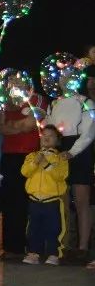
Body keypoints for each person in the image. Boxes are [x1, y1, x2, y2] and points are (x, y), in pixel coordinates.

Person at [46, 85, 93, 266]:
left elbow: (89, 132)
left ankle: (83, 248)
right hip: (60, 148)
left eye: (68, 75)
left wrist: (72, 152)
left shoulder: (86, 102)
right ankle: (63, 246)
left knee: (82, 201)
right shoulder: (54, 103)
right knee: (61, 201)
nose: (64, 80)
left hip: (80, 151)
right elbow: (50, 128)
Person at [0, 86, 42, 256]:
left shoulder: (37, 99)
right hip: (9, 155)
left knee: (29, 201)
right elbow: (1, 127)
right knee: (10, 202)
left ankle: (32, 246)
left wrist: (13, 125)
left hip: (30, 155)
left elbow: (30, 125)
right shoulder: (4, 103)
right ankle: (11, 247)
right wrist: (18, 126)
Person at [21, 125, 68, 266]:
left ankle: (54, 253)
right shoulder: (31, 156)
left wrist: (46, 165)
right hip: (34, 200)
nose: (46, 137)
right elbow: (25, 172)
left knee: (55, 228)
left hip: (52, 200)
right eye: (44, 135)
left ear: (58, 140)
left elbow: (60, 176)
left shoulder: (61, 158)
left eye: (51, 135)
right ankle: (34, 252)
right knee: (33, 228)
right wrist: (36, 162)